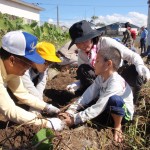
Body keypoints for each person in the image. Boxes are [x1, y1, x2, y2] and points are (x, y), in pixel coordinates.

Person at [59, 47, 134, 143]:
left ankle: (117, 125)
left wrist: (74, 120)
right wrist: (71, 111)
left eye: (97, 61)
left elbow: (99, 106)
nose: (94, 64)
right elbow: (88, 95)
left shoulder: (115, 83)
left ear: (108, 64)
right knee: (91, 101)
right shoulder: (101, 77)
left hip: (123, 113)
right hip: (107, 106)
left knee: (114, 100)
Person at [66, 20, 150, 104]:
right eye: (78, 43)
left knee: (136, 72)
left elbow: (131, 55)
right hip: (100, 81)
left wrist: (140, 65)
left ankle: (131, 104)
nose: (82, 46)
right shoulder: (82, 54)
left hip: (118, 75)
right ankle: (98, 100)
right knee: (82, 69)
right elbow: (86, 75)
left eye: (84, 41)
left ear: (91, 37)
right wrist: (77, 84)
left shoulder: (106, 42)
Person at [0, 30, 65, 130]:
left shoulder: (11, 70)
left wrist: (46, 106)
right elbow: (9, 110)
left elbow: (22, 94)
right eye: (27, 63)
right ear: (12, 60)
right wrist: (44, 122)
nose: (28, 67)